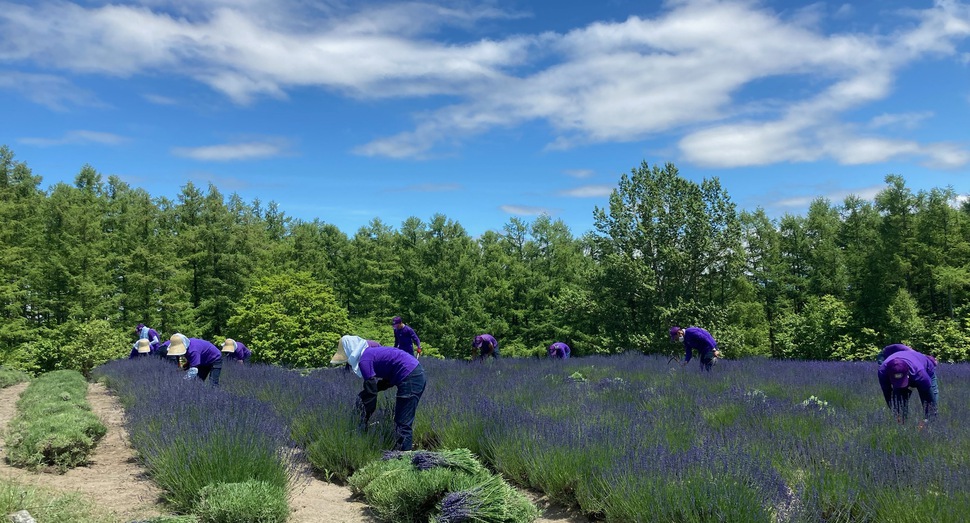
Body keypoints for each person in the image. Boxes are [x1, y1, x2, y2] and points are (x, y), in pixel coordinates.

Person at [331, 335, 427, 451]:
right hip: (414, 374)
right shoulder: (370, 354)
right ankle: (402, 454)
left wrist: (364, 418)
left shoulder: (364, 361)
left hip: (411, 378)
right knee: (402, 420)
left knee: (403, 422)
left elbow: (371, 394)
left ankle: (404, 457)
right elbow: (386, 378)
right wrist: (367, 395)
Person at [878, 346, 939, 427]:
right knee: (899, 404)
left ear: (907, 374)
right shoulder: (883, 371)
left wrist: (927, 420)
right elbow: (887, 393)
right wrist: (896, 414)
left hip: (925, 368)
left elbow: (930, 401)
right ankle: (903, 426)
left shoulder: (920, 373)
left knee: (932, 406)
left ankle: (931, 427)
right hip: (908, 364)